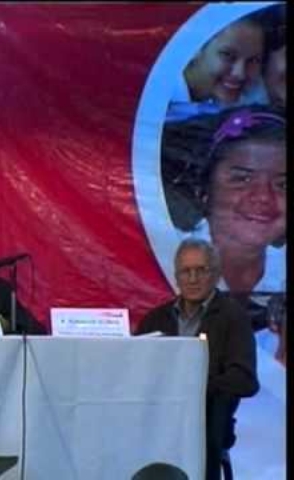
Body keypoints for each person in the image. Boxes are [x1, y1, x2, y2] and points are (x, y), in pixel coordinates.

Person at [137, 238, 259, 480]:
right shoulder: (155, 319)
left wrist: (195, 386)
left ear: (215, 274)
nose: (192, 279)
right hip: (155, 421)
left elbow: (245, 380)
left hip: (207, 423)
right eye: (186, 271)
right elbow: (134, 369)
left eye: (201, 270)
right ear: (176, 276)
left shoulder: (234, 318)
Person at [161, 104, 285, 329]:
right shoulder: (162, 254)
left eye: (283, 184)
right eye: (242, 179)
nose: (263, 197)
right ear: (205, 189)